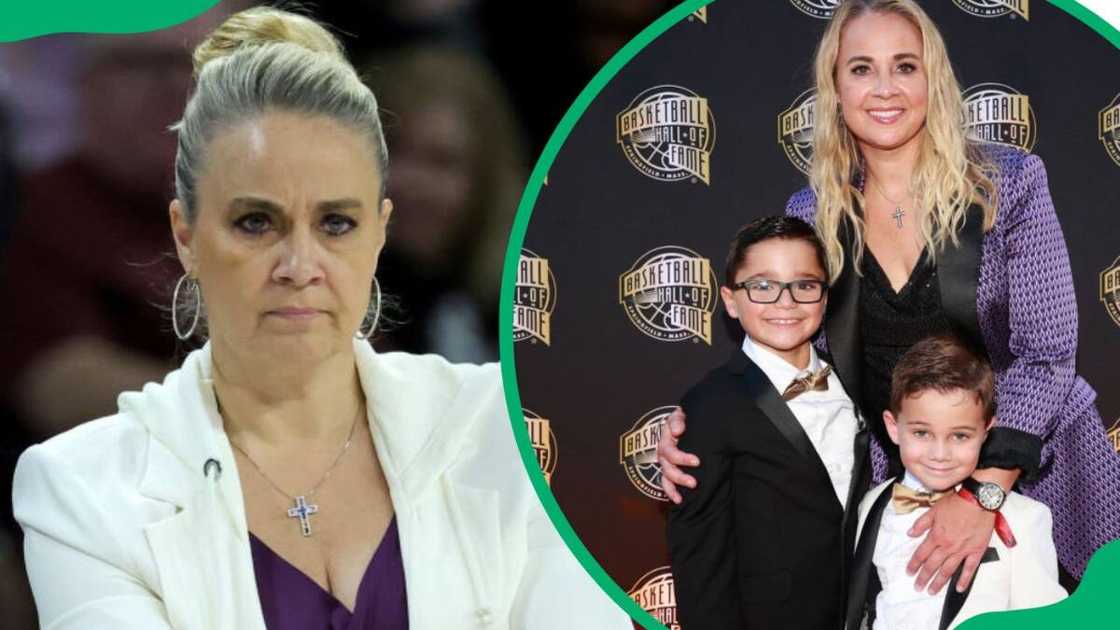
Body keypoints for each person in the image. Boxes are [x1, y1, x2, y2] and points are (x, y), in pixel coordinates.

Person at [11, 8, 631, 629]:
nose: (299, 265)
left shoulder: (518, 431)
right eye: (256, 222)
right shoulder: (81, 488)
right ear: (186, 236)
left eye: (337, 224)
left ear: (379, 234)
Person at [659, 0, 1120, 594]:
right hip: (905, 490)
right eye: (861, 68)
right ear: (835, 88)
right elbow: (798, 354)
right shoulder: (813, 213)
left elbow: (1047, 355)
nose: (884, 89)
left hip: (1038, 471)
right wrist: (699, 425)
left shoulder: (1008, 183)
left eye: (905, 66)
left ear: (934, 79)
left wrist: (984, 492)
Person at [668, 216, 867, 628]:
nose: (785, 302)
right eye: (762, 286)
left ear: (825, 297)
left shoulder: (858, 383)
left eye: (805, 285)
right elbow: (702, 562)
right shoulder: (710, 406)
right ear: (730, 300)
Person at [849, 334, 1066, 630]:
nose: (940, 454)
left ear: (986, 432)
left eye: (960, 436)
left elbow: (1045, 620)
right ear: (893, 427)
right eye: (922, 433)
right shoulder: (872, 505)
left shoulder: (1024, 518)